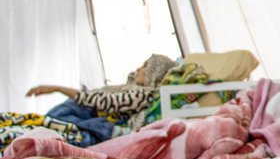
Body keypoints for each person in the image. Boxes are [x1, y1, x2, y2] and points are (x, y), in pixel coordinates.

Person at [26, 54, 177, 134]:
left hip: (91, 116)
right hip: (85, 113)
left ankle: (38, 128)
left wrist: (57, 88)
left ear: (155, 72)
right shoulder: (133, 88)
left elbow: (103, 101)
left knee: (64, 114)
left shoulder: (143, 94)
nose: (138, 69)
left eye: (145, 66)